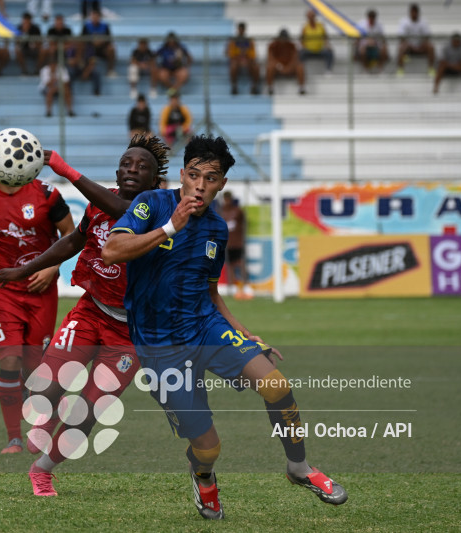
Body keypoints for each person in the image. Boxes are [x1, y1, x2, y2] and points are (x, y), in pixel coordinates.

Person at [101, 135, 348, 520]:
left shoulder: (217, 229)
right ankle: (203, 478)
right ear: (182, 175)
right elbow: (111, 251)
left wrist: (244, 331)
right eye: (194, 175)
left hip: (206, 326)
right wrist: (171, 227)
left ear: (222, 184)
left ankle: (298, 467)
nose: (200, 185)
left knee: (277, 386)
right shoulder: (152, 204)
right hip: (159, 344)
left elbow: (212, 292)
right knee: (208, 447)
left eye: (211, 178)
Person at [0, 135, 169, 495]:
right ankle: (49, 411)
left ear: (154, 180)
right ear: (117, 171)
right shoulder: (99, 204)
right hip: (91, 312)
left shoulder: (159, 208)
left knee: (88, 413)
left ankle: (42, 470)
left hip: (131, 332)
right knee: (45, 387)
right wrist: (23, 271)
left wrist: (67, 171)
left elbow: (124, 212)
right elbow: (73, 241)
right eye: (128, 163)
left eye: (142, 166)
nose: (133, 169)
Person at [0, 150, 74, 456]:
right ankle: (14, 439)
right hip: (4, 289)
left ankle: (40, 420)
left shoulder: (48, 195)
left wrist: (52, 268)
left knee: (34, 366)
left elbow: (70, 233)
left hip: (40, 290)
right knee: (9, 360)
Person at [219, 191, 252, 299]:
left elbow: (244, 223)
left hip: (237, 242)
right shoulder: (221, 211)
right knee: (229, 265)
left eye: (229, 199)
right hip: (226, 242)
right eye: (226, 199)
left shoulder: (237, 211)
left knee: (241, 263)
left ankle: (246, 286)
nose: (227, 201)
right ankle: (234, 287)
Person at [396, 3, 435, 77]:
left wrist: (420, 46)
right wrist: (411, 46)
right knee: (402, 47)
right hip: (409, 47)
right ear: (410, 12)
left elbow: (427, 37)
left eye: (415, 12)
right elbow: (401, 37)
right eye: (412, 11)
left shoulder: (423, 22)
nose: (414, 14)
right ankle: (400, 69)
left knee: (430, 46)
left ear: (418, 12)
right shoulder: (404, 21)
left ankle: (430, 68)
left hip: (420, 46)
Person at [266, 29, 306, 95]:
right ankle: (270, 87)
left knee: (300, 66)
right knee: (269, 67)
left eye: (285, 38)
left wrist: (288, 68)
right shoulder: (272, 46)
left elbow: (295, 59)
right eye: (282, 38)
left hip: (289, 67)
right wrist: (280, 67)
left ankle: (301, 87)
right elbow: (271, 59)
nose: (283, 40)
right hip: (277, 67)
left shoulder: (292, 46)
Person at [225, 22, 260, 95]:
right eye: (240, 29)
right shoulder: (233, 40)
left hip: (247, 60)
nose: (241, 31)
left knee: (256, 67)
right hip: (237, 60)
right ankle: (234, 86)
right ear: (238, 29)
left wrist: (246, 59)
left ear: (245, 30)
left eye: (242, 29)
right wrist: (239, 59)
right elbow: (231, 54)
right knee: (233, 66)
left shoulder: (249, 40)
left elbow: (253, 55)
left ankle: (254, 86)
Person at [81, 9, 116, 77]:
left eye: (96, 17)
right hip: (90, 48)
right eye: (93, 17)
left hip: (102, 49)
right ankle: (82, 67)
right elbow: (82, 39)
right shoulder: (86, 26)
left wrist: (101, 41)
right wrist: (92, 41)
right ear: (91, 17)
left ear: (99, 17)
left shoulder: (105, 26)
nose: (95, 18)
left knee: (111, 49)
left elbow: (109, 39)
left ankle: (110, 70)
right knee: (81, 46)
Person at [299, 9, 334, 74]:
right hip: (308, 50)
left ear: (315, 16)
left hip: (319, 50)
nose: (311, 18)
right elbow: (302, 40)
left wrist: (327, 45)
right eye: (309, 16)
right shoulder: (305, 27)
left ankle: (328, 70)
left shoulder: (321, 26)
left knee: (329, 53)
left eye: (312, 16)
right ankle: (301, 70)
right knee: (300, 53)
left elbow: (325, 37)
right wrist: (303, 46)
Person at [356, 8, 389, 73]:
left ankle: (380, 68)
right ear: (368, 17)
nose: (371, 20)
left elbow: (382, 38)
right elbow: (358, 39)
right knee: (362, 51)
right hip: (365, 46)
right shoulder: (361, 25)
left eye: (373, 18)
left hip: (376, 46)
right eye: (370, 18)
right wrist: (367, 42)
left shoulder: (379, 25)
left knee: (384, 49)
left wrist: (376, 42)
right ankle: (365, 69)